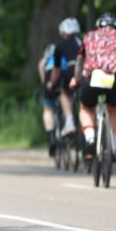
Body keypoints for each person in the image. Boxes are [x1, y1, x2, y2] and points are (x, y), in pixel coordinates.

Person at [70, 13, 116, 160]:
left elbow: (80, 60)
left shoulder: (89, 37)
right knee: (114, 108)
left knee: (86, 107)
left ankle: (90, 137)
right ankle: (115, 147)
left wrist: (76, 79)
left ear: (99, 25)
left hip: (92, 76)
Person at [40, 18, 81, 156]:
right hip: (84, 74)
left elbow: (53, 69)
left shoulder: (58, 47)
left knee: (58, 98)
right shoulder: (83, 43)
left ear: (63, 32)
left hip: (61, 74)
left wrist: (49, 83)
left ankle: (57, 131)